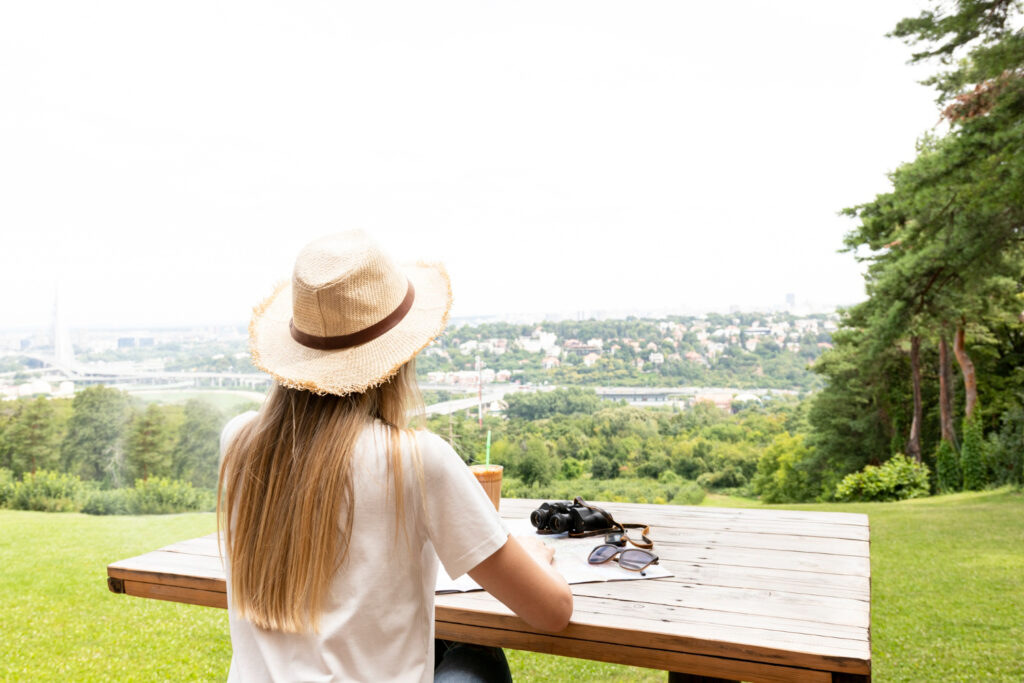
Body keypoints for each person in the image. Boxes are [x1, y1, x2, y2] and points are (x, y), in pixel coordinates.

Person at [218, 231, 572, 682]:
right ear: (398, 359)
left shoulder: (240, 441)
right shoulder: (416, 460)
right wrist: (536, 557)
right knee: (477, 652)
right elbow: (551, 611)